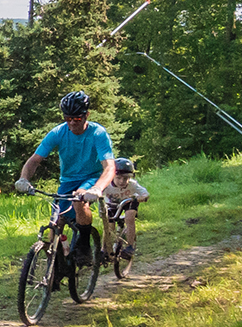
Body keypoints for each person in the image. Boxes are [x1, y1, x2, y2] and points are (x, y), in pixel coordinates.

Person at [14, 90, 117, 266]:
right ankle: (55, 267)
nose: (71, 123)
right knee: (57, 222)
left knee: (79, 199)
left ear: (86, 116)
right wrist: (24, 179)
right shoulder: (58, 133)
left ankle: (84, 245)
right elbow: (34, 160)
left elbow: (109, 167)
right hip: (67, 181)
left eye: (76, 119)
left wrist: (96, 189)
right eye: (67, 118)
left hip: (91, 179)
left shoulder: (98, 133)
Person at [99, 157, 147, 259]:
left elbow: (144, 193)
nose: (122, 181)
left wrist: (142, 197)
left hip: (128, 202)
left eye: (125, 178)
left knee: (129, 218)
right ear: (112, 176)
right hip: (112, 205)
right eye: (118, 178)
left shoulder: (132, 185)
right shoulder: (107, 185)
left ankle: (130, 246)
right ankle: (105, 249)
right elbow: (98, 191)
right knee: (108, 225)